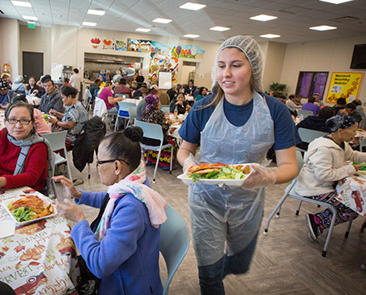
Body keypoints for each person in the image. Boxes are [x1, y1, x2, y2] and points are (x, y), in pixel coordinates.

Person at [177, 35, 299, 294]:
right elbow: (184, 149)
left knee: (240, 263)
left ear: (253, 68)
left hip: (247, 200)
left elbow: (290, 165)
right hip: (205, 198)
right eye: (221, 66)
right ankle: (210, 276)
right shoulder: (204, 107)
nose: (226, 74)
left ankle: (218, 269)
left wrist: (267, 176)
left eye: (236, 65)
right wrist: (188, 162)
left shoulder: (274, 111)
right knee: (209, 275)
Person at [53, 126, 166, 295]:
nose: (97, 167)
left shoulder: (132, 207)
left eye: (99, 162)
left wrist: (80, 221)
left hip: (128, 286)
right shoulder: (134, 184)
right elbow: (109, 199)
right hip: (126, 274)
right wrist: (79, 194)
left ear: (116, 167)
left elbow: (101, 265)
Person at [294, 114, 365, 240]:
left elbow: (353, 155)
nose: (355, 134)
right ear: (340, 131)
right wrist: (350, 169)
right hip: (313, 188)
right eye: (353, 131)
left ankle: (317, 220)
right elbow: (324, 175)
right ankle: (318, 221)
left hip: (324, 185)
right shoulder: (324, 148)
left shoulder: (341, 143)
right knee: (353, 208)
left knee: (353, 204)